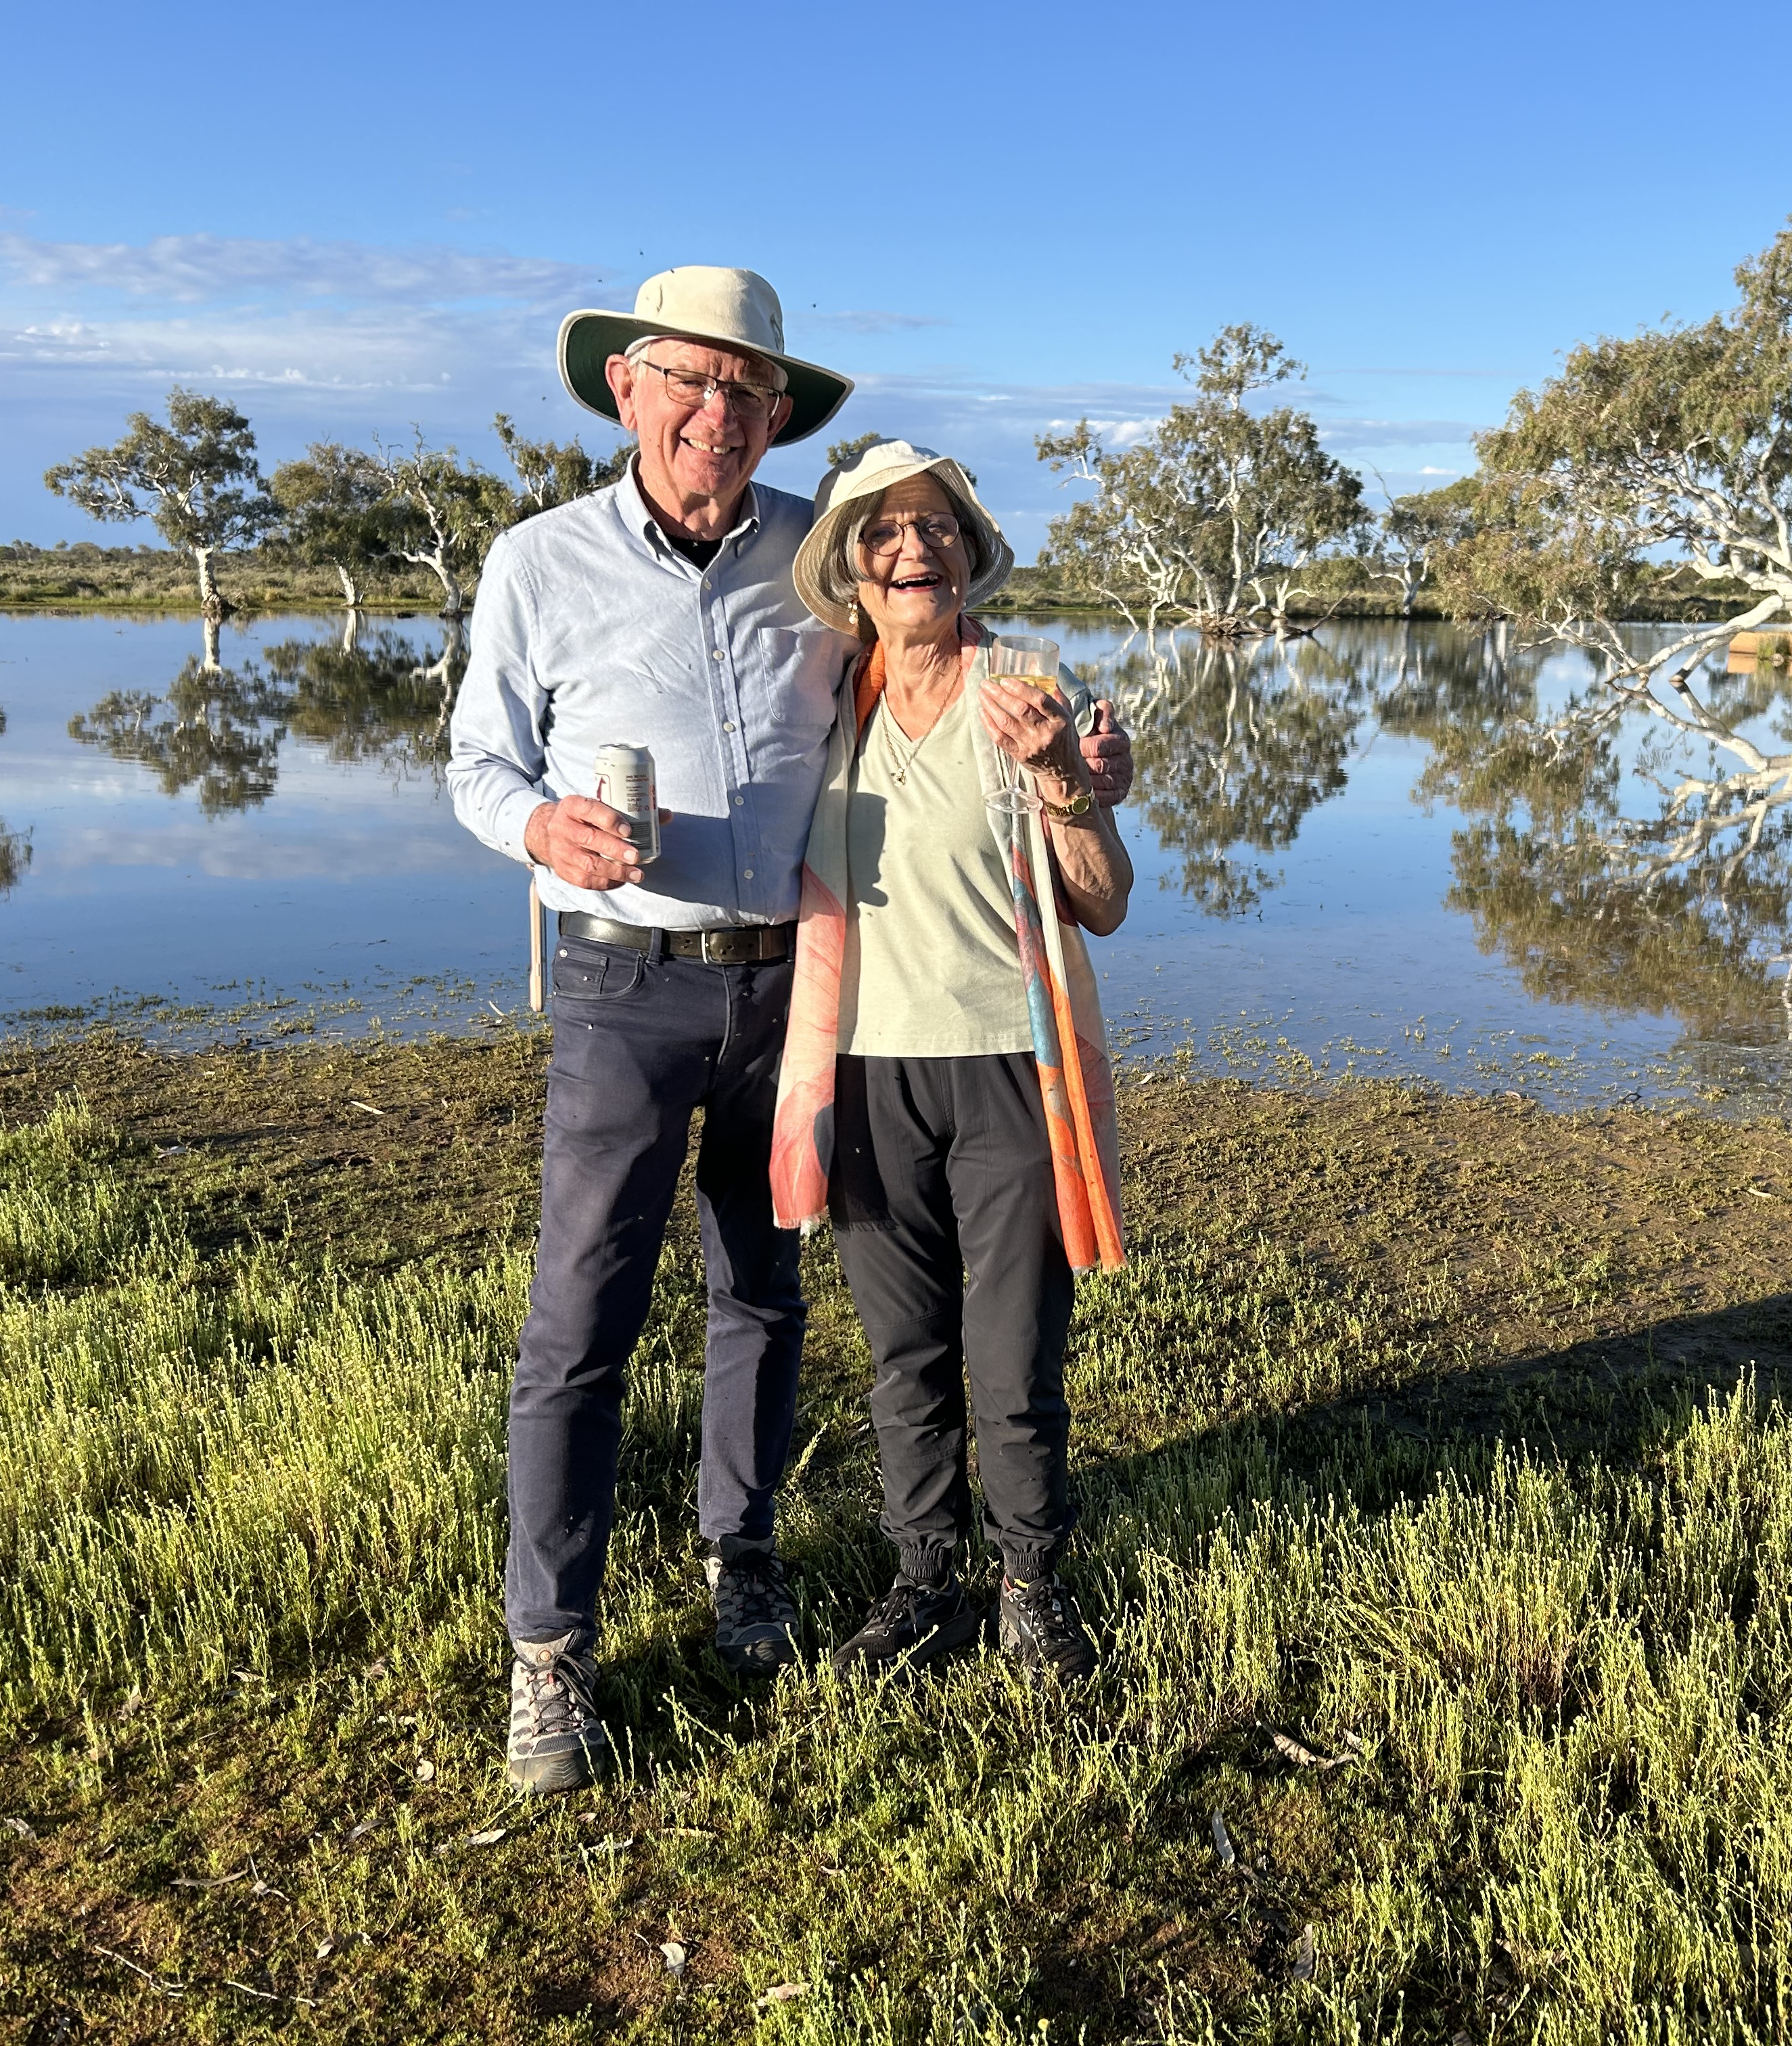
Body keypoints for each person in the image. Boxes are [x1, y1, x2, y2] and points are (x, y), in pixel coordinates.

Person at [449, 268, 1135, 1792]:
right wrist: (538, 829)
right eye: (689, 383)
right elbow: (477, 763)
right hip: (626, 984)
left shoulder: (809, 564)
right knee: (580, 1323)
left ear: (775, 420)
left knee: (760, 1292)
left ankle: (740, 1558)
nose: (717, 415)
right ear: (628, 388)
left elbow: (952, 670)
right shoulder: (538, 563)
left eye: (747, 394)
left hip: (794, 991)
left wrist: (1084, 761)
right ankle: (549, 1655)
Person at [770, 440, 1132, 1682]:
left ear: (970, 553)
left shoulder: (1034, 687)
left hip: (1010, 1071)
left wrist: (1064, 785)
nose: (912, 547)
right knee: (902, 1349)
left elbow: (1105, 901)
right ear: (851, 569)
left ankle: (1031, 1579)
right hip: (863, 1070)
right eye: (883, 531)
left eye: (937, 526)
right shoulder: (819, 703)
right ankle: (923, 1579)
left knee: (1016, 1342)